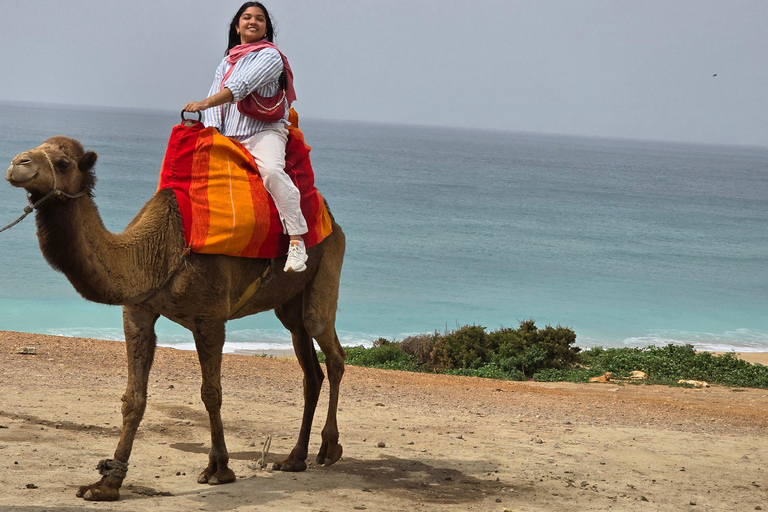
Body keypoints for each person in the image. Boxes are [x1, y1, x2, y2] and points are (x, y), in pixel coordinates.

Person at [183, 2, 309, 273]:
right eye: (247, 17)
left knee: (273, 172)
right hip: (230, 136)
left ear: (266, 28)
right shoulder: (226, 61)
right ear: (237, 25)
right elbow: (218, 108)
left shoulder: (270, 57)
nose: (253, 22)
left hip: (263, 133)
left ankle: (297, 242)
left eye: (260, 19)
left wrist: (205, 103)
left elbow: (238, 88)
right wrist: (214, 133)